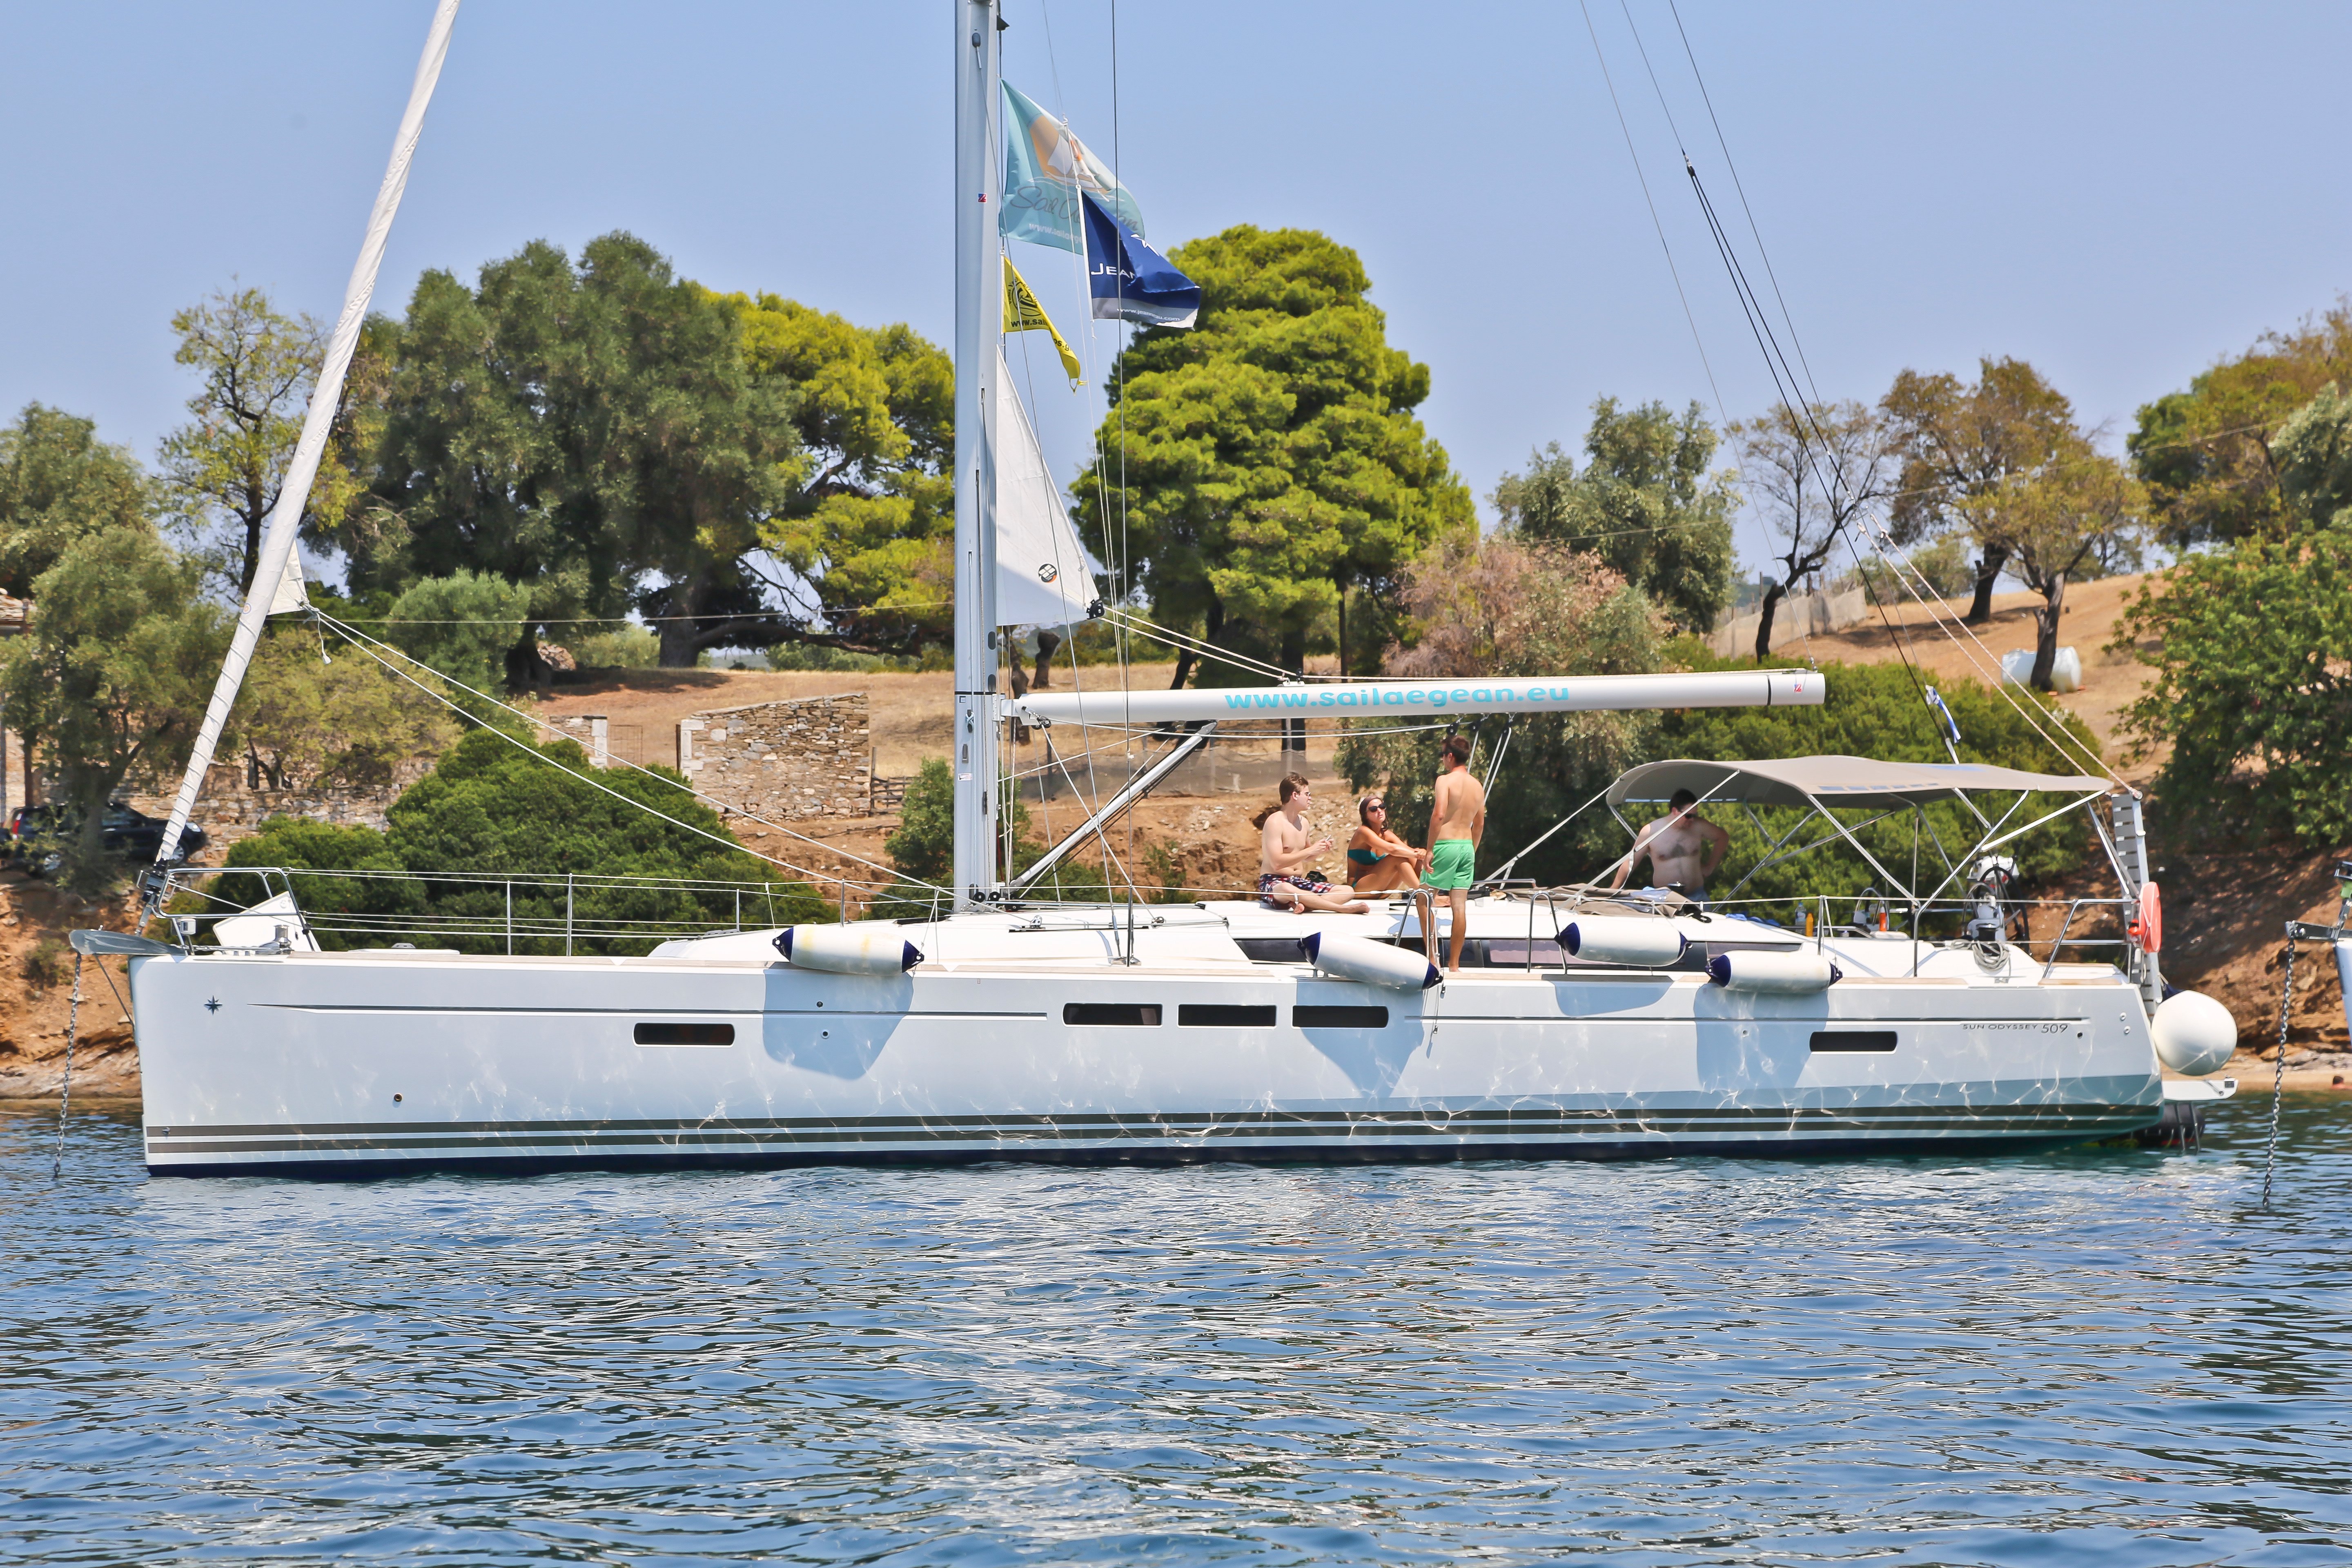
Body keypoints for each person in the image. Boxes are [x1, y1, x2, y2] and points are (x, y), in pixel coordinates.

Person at [1256, 774, 1372, 914]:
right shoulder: (1275, 822)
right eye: (1307, 794)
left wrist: (1319, 850)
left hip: (1298, 881)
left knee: (1347, 891)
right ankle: (1341, 909)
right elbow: (1277, 864)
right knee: (1287, 889)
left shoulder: (1304, 822)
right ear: (1295, 795)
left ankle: (1308, 905)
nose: (1310, 798)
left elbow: (1306, 857)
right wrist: (1311, 851)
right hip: (1274, 881)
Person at [1422, 734, 1486, 972]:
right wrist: (1472, 849)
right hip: (1466, 847)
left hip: (1446, 845)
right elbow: (1479, 824)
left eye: (1443, 756)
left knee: (1423, 899)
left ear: (1450, 756)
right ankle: (1455, 965)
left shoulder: (1445, 781)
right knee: (1460, 907)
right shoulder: (1477, 785)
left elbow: (1439, 815)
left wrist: (1430, 849)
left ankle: (1432, 958)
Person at [1606, 787, 1729, 904]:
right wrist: (1613, 890)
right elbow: (1630, 862)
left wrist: (1710, 867)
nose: (1692, 820)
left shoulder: (1699, 826)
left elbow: (1723, 837)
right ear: (1675, 811)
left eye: (1695, 815)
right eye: (1688, 816)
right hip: (1664, 899)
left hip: (1696, 897)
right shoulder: (1651, 831)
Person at [1344, 793, 1429, 894]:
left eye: (1382, 807)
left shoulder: (1387, 835)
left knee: (1413, 858)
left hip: (1381, 890)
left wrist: (1423, 853)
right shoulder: (1363, 832)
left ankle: (1428, 890)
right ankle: (1425, 896)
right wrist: (1418, 854)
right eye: (1373, 809)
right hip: (1359, 889)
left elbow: (1410, 852)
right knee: (1397, 858)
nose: (1379, 811)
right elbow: (1392, 850)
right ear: (1365, 815)